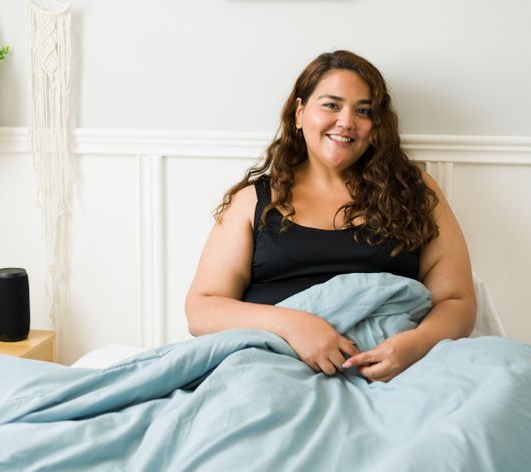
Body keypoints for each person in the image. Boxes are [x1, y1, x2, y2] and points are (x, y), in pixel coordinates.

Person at [185, 50, 476, 383]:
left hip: (399, 373)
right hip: (272, 370)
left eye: (363, 110)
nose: (347, 121)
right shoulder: (253, 202)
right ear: (299, 113)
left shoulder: (414, 190)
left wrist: (415, 345)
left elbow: (457, 300)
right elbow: (201, 309)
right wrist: (295, 325)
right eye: (331, 105)